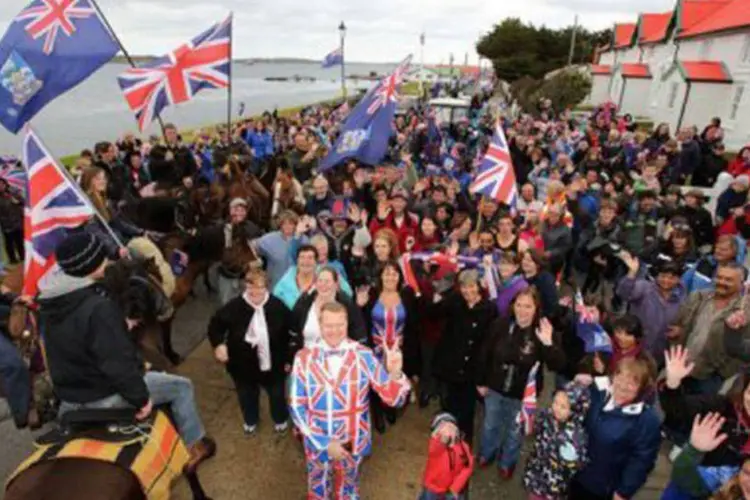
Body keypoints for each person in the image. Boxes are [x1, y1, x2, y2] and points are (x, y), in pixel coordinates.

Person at [37, 233, 215, 471]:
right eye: (101, 257)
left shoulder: (50, 303)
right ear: (91, 264)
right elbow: (116, 364)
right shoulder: (99, 307)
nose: (106, 261)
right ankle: (196, 445)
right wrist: (140, 399)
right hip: (102, 396)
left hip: (68, 400)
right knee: (182, 387)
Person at [289, 301, 411, 499]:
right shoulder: (303, 358)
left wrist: (395, 374)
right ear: (320, 325)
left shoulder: (363, 355)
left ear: (347, 324)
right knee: (317, 489)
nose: (335, 330)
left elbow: (393, 400)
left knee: (348, 489)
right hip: (317, 442)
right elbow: (296, 407)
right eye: (329, 325)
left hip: (353, 444)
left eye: (340, 324)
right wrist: (324, 442)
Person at [475, 288, 566, 478]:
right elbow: (484, 353)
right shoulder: (500, 325)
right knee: (490, 424)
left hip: (523, 395)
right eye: (519, 305)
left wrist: (548, 343)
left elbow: (557, 364)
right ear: (512, 306)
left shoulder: (542, 330)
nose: (523, 311)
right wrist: (481, 381)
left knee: (515, 431)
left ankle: (507, 462)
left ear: (536, 308)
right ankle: (487, 453)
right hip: (495, 388)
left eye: (528, 306)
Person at [207, 268, 291, 435]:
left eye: (259, 287)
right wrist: (218, 344)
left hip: (273, 363)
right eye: (250, 286)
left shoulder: (277, 306)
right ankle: (251, 420)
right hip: (242, 364)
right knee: (246, 394)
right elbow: (215, 325)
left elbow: (290, 333)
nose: (254, 291)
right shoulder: (234, 306)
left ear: (266, 287)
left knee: (276, 394)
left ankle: (280, 419)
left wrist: (289, 359)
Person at [569, 357, 662, 499]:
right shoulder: (598, 391)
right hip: (576, 473)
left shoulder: (646, 420)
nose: (623, 386)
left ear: (642, 388)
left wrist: (623, 491)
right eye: (621, 377)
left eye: (632, 383)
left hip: (602, 488)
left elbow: (641, 461)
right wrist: (573, 385)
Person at [431, 269, 498, 443]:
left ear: (479, 287)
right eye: (463, 287)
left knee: (467, 412)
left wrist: (484, 377)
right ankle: (446, 443)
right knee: (448, 407)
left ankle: (464, 446)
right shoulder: (455, 302)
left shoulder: (489, 309)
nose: (468, 291)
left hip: (471, 371)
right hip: (451, 366)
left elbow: (490, 345)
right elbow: (434, 312)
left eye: (471, 286)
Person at [357, 262, 421, 433]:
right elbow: (361, 321)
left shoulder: (406, 295)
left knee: (393, 380)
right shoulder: (371, 295)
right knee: (376, 381)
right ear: (380, 277)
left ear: (400, 277)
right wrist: (360, 306)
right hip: (375, 348)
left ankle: (390, 408)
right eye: (386, 273)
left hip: (398, 350)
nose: (390, 277)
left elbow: (414, 324)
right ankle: (377, 413)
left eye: (394, 274)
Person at [671, 261, 748, 395]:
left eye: (728, 280)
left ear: (741, 284)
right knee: (673, 406)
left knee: (698, 413)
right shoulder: (698, 297)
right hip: (682, 367)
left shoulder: (745, 312)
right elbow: (681, 324)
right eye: (719, 277)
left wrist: (723, 372)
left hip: (710, 378)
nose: (721, 282)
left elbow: (742, 348)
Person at [523, 382, 590, 500]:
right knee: (533, 495)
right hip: (537, 471)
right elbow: (535, 429)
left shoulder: (576, 435)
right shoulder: (547, 415)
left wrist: (571, 459)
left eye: (563, 406)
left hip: (554, 485)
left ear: (575, 410)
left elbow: (578, 464)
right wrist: (526, 423)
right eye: (555, 402)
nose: (556, 408)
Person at [616, 253, 685, 367]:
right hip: (635, 349)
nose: (666, 280)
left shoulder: (683, 299)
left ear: (678, 279)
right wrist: (631, 273)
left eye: (672, 277)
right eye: (663, 276)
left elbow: (685, 322)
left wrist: (680, 330)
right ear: (657, 276)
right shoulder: (644, 288)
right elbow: (623, 293)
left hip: (659, 355)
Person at [290, 267, 366, 354]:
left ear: (336, 284)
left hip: (340, 358)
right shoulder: (304, 302)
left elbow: (359, 335)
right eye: (320, 281)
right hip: (308, 359)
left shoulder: (348, 305)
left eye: (327, 281)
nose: (323, 285)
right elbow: (293, 333)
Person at [218, 198, 263, 305]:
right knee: (227, 304)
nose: (239, 213)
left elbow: (258, 249)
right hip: (227, 274)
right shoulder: (222, 227)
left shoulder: (253, 228)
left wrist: (258, 261)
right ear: (230, 211)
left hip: (246, 275)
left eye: (242, 210)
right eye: (236, 209)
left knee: (248, 304)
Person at [418, 413, 474, 500]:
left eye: (451, 426)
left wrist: (455, 488)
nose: (448, 430)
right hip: (432, 488)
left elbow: (468, 466)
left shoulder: (463, 447)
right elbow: (435, 449)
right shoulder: (437, 445)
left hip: (452, 489)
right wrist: (443, 439)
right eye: (443, 427)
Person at [252, 210, 303, 288]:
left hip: (295, 286)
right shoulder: (269, 239)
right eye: (284, 223)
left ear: (296, 225)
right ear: (280, 225)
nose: (287, 226)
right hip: (274, 285)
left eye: (291, 223)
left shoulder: (303, 239)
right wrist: (256, 263)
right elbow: (251, 246)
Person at [0, 178, 24, 264]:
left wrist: (18, 202)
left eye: (2, 184)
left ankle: (22, 256)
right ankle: (12, 259)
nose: (0, 186)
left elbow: (23, 202)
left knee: (20, 241)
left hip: (17, 222)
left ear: (5, 184)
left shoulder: (14, 193)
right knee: (9, 243)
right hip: (6, 224)